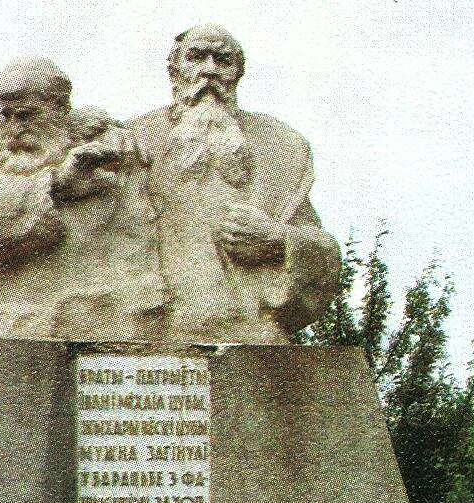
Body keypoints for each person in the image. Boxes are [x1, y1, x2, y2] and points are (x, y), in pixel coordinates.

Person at [129, 24, 342, 343]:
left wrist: (276, 238)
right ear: (174, 69)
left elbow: (321, 248)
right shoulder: (135, 139)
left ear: (238, 73)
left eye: (223, 60)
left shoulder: (279, 146)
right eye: (196, 57)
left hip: (248, 328)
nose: (209, 70)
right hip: (150, 323)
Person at [0, 58, 167, 340]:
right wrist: (56, 182)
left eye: (27, 115)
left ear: (60, 108)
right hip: (8, 320)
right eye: (6, 115)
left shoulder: (110, 150)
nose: (14, 128)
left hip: (106, 310)